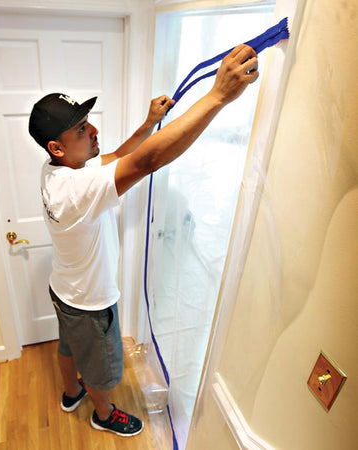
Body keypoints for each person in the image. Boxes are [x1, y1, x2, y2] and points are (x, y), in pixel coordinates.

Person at [28, 43, 259, 437]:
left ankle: (71, 393)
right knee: (101, 366)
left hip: (64, 290)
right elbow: (145, 161)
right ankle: (103, 413)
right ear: (58, 147)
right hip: (90, 301)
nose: (94, 130)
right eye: (83, 129)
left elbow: (119, 154)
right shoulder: (77, 189)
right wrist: (218, 96)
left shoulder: (56, 171)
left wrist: (150, 122)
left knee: (68, 346)